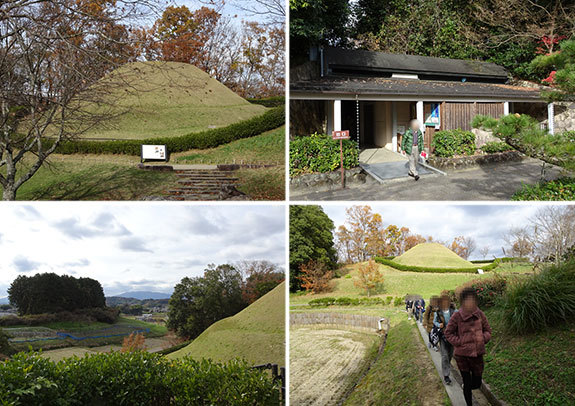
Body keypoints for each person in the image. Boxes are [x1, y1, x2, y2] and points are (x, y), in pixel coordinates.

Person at [444, 288, 492, 406]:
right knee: (467, 380)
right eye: (467, 299)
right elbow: (448, 332)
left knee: (477, 382)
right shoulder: (457, 316)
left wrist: (482, 339)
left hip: (477, 354)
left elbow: (488, 331)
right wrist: (460, 342)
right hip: (462, 356)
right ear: (463, 301)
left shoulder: (479, 314)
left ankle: (468, 386)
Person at [433, 294, 457, 385]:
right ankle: (446, 375)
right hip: (443, 337)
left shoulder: (454, 311)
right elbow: (434, 322)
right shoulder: (438, 312)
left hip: (452, 337)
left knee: (450, 355)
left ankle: (447, 367)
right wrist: (439, 325)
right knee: (444, 356)